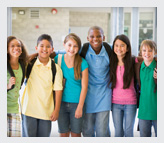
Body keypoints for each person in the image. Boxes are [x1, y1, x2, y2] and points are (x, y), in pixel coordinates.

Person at [21, 34, 63, 137]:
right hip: (29, 111)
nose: (44, 49)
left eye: (48, 46)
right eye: (41, 46)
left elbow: (58, 90)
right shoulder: (29, 64)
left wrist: (56, 110)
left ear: (52, 49)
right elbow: (20, 61)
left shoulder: (55, 68)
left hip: (46, 112)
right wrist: (34, 55)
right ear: (36, 48)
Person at [54, 33, 88, 137]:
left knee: (76, 134)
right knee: (63, 133)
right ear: (64, 45)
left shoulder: (83, 63)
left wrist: (80, 107)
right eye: (69, 45)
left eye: (75, 46)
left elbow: (84, 87)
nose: (72, 49)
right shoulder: (57, 59)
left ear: (79, 48)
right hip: (61, 103)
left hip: (76, 104)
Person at [81, 26, 112, 137]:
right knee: (87, 130)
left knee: (102, 131)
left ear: (103, 37)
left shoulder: (110, 49)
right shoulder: (83, 49)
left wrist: (154, 58)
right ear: (87, 38)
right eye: (92, 36)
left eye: (99, 36)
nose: (95, 39)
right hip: (87, 94)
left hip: (104, 93)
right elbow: (64, 52)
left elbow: (127, 55)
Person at [109, 34, 137, 137]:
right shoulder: (111, 62)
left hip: (130, 102)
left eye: (122, 45)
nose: (119, 48)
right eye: (116, 45)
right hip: (115, 103)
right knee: (118, 132)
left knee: (129, 132)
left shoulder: (134, 61)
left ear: (127, 48)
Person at [7, 36, 28, 137]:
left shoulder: (22, 65)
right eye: (12, 46)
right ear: (6, 49)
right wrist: (7, 86)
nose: (16, 48)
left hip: (15, 109)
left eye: (19, 46)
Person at [135, 39, 157, 137]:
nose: (147, 53)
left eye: (150, 50)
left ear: (155, 52)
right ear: (140, 52)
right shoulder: (138, 67)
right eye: (144, 50)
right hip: (143, 111)